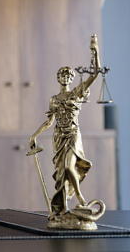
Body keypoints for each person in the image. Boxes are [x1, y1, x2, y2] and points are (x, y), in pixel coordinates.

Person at [29, 35, 100, 219]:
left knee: (69, 168)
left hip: (73, 135)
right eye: (62, 74)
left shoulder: (76, 93)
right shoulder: (54, 99)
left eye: (68, 75)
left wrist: (95, 52)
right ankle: (63, 210)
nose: (65, 77)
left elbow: (95, 73)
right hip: (58, 137)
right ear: (57, 78)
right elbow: (49, 121)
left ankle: (80, 198)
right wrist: (34, 136)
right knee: (61, 175)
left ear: (72, 78)